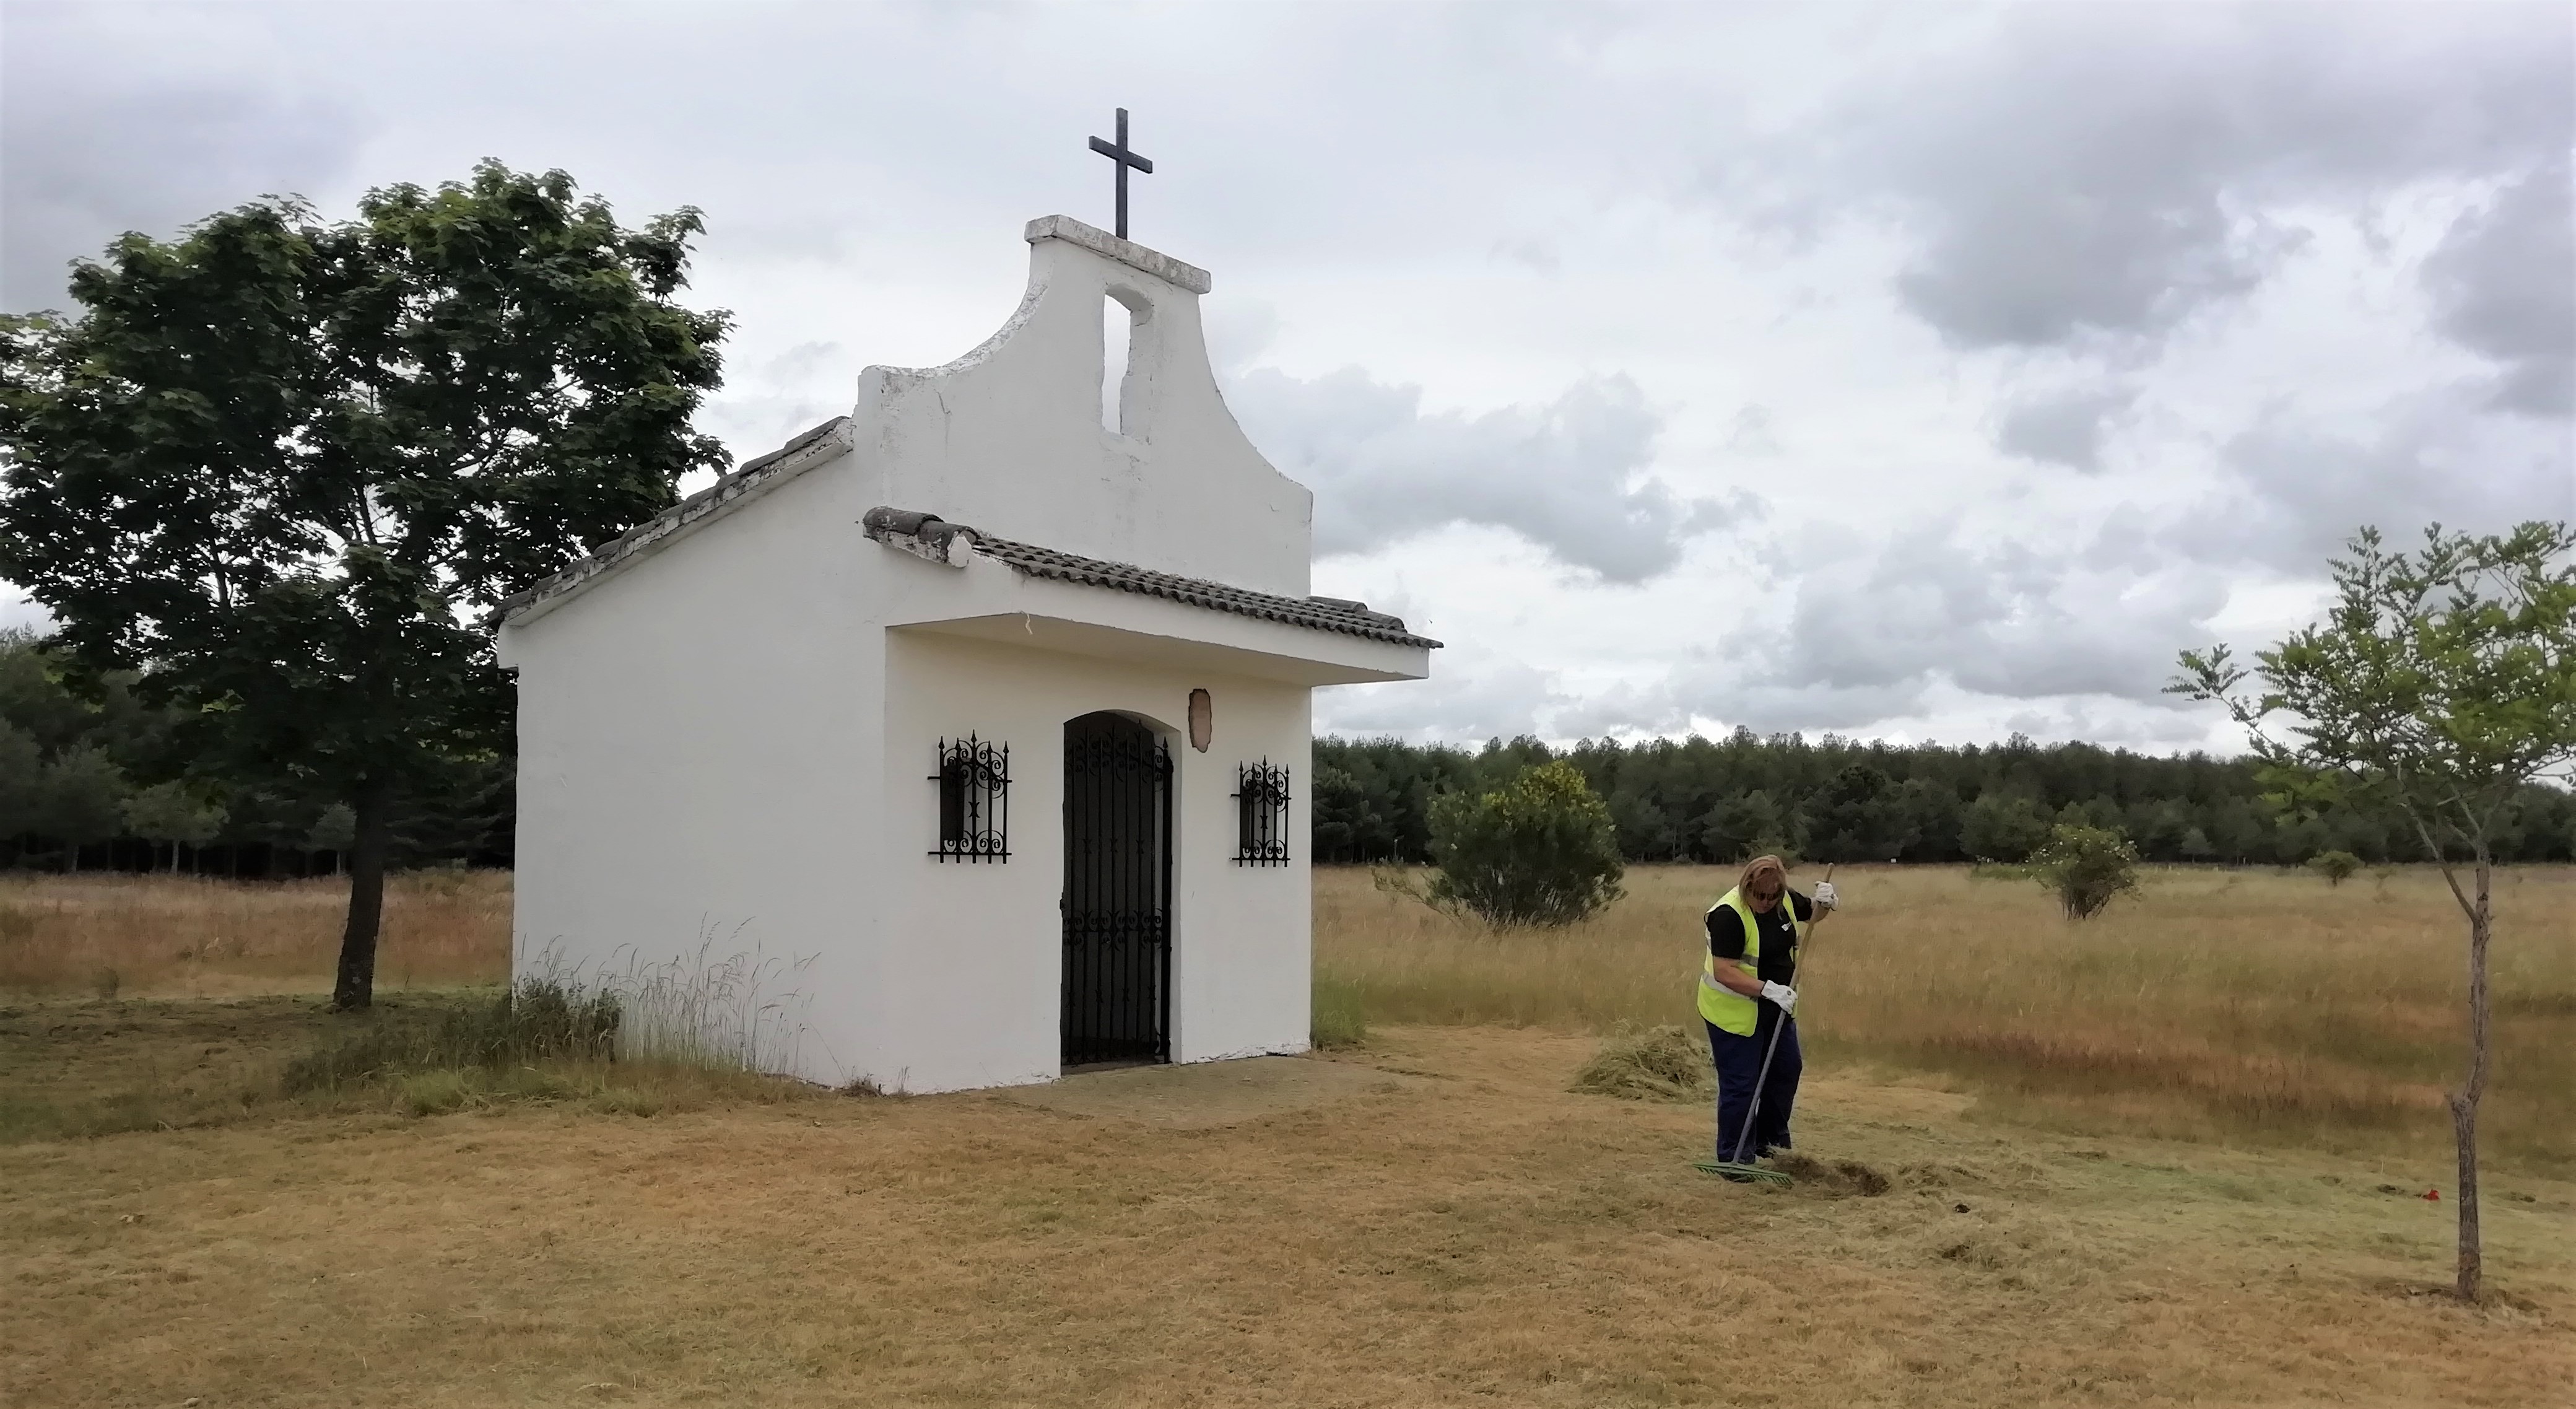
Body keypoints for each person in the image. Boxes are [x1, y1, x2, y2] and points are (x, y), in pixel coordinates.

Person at [1696, 855, 1836, 1169]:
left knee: (1786, 1072)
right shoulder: (1728, 915)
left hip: (1777, 1010)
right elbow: (1724, 971)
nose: (1766, 902)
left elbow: (1813, 914)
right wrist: (1768, 989)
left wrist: (1825, 903)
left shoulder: (1784, 899)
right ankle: (1735, 1158)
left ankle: (1772, 1147)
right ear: (1747, 886)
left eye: (1773, 896)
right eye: (1760, 895)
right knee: (1742, 1086)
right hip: (1733, 1014)